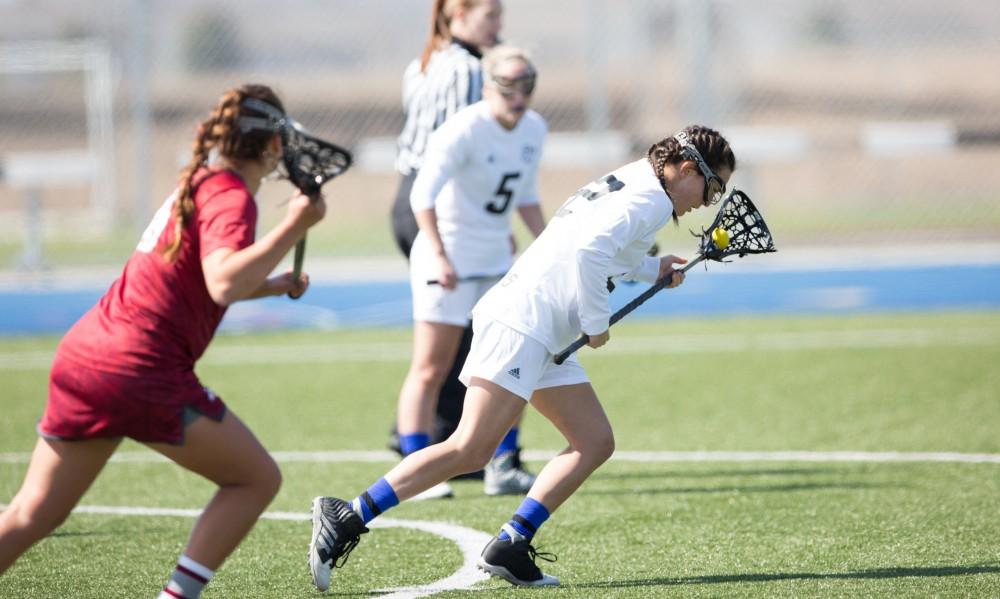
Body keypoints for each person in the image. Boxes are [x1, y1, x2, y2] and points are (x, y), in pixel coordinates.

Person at [308, 125, 736, 589]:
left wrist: (654, 267)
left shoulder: (639, 180)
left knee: (593, 441)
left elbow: (604, 247)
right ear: (688, 169)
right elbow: (590, 252)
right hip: (524, 322)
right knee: (470, 448)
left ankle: (511, 543)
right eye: (712, 189)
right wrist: (595, 322)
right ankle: (348, 515)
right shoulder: (652, 200)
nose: (706, 202)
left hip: (543, 331)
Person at [0, 84, 326, 599]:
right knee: (255, 480)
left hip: (85, 357)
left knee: (29, 514)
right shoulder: (232, 197)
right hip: (137, 369)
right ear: (269, 145)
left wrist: (272, 283)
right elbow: (222, 280)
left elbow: (197, 280)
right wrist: (294, 224)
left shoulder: (200, 180)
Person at [391, 0, 535, 497]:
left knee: (501, 355)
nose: (498, 26)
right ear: (458, 14)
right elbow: (435, 173)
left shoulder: (426, 62)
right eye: (490, 15)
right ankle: (421, 458)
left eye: (527, 85)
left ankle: (494, 459)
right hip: (441, 223)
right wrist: (439, 250)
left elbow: (521, 191)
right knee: (436, 360)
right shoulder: (464, 77)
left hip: (482, 235)